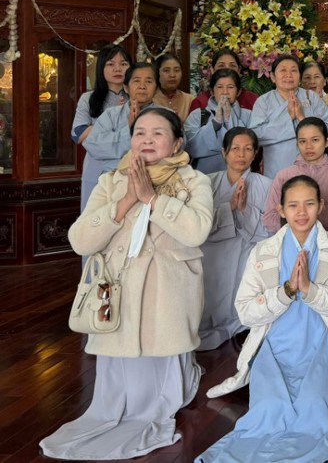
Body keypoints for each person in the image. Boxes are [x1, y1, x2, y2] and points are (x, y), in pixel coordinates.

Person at [41, 106, 213, 460]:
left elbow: (196, 231)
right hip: (118, 289)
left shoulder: (194, 181)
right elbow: (80, 241)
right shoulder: (111, 181)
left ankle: (166, 399)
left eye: (158, 133)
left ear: (177, 143)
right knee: (120, 377)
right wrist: (125, 202)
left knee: (159, 365)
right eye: (140, 133)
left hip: (166, 288)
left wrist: (153, 198)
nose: (147, 140)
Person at [199, 175, 328, 463]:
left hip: (321, 345)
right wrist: (286, 291)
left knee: (316, 410)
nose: (301, 212)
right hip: (273, 346)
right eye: (293, 205)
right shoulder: (263, 251)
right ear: (281, 210)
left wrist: (311, 291)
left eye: (309, 204)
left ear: (321, 206)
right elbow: (245, 311)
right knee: (267, 411)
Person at [200, 127, 272, 350]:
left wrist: (244, 212)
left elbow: (270, 231)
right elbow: (197, 223)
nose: (241, 155)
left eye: (248, 149)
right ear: (224, 152)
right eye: (235, 149)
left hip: (246, 249)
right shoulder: (206, 183)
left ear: (255, 153)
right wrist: (228, 208)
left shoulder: (267, 185)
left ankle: (239, 327)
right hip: (211, 251)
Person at [82, 62, 158, 211]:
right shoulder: (111, 115)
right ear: (126, 87)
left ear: (156, 88)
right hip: (113, 188)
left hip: (152, 185)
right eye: (136, 81)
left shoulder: (166, 117)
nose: (142, 86)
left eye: (149, 81)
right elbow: (93, 145)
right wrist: (129, 130)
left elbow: (178, 145)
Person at [263, 118, 328, 238]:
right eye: (303, 141)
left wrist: (319, 209)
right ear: (297, 144)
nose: (308, 146)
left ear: (327, 141)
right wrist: (298, 226)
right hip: (292, 243)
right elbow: (269, 218)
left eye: (315, 140)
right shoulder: (284, 175)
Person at [250, 54, 328, 176]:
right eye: (283, 70)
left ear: (299, 76)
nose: (288, 75)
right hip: (277, 167)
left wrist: (302, 118)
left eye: (293, 70)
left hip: (312, 167)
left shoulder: (311, 97)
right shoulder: (264, 101)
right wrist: (288, 118)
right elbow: (256, 136)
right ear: (273, 77)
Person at [73, 45, 130, 212]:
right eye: (111, 64)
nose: (118, 69)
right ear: (101, 68)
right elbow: (78, 133)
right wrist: (112, 116)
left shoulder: (136, 98)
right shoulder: (88, 98)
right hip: (97, 166)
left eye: (123, 64)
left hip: (129, 165)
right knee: (95, 216)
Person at [184, 68, 251, 174]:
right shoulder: (198, 115)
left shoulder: (248, 115)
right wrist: (216, 123)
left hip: (239, 176)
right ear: (211, 91)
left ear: (238, 92)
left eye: (230, 87)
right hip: (203, 177)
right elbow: (190, 148)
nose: (225, 92)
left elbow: (251, 147)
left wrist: (229, 119)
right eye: (219, 87)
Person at [190, 49, 259, 111]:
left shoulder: (253, 100)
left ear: (239, 70)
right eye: (221, 66)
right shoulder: (200, 102)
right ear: (212, 70)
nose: (227, 69)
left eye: (232, 66)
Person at [152, 53, 194, 122]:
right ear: (157, 73)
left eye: (177, 70)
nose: (172, 75)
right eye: (166, 70)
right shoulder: (150, 99)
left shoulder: (190, 100)